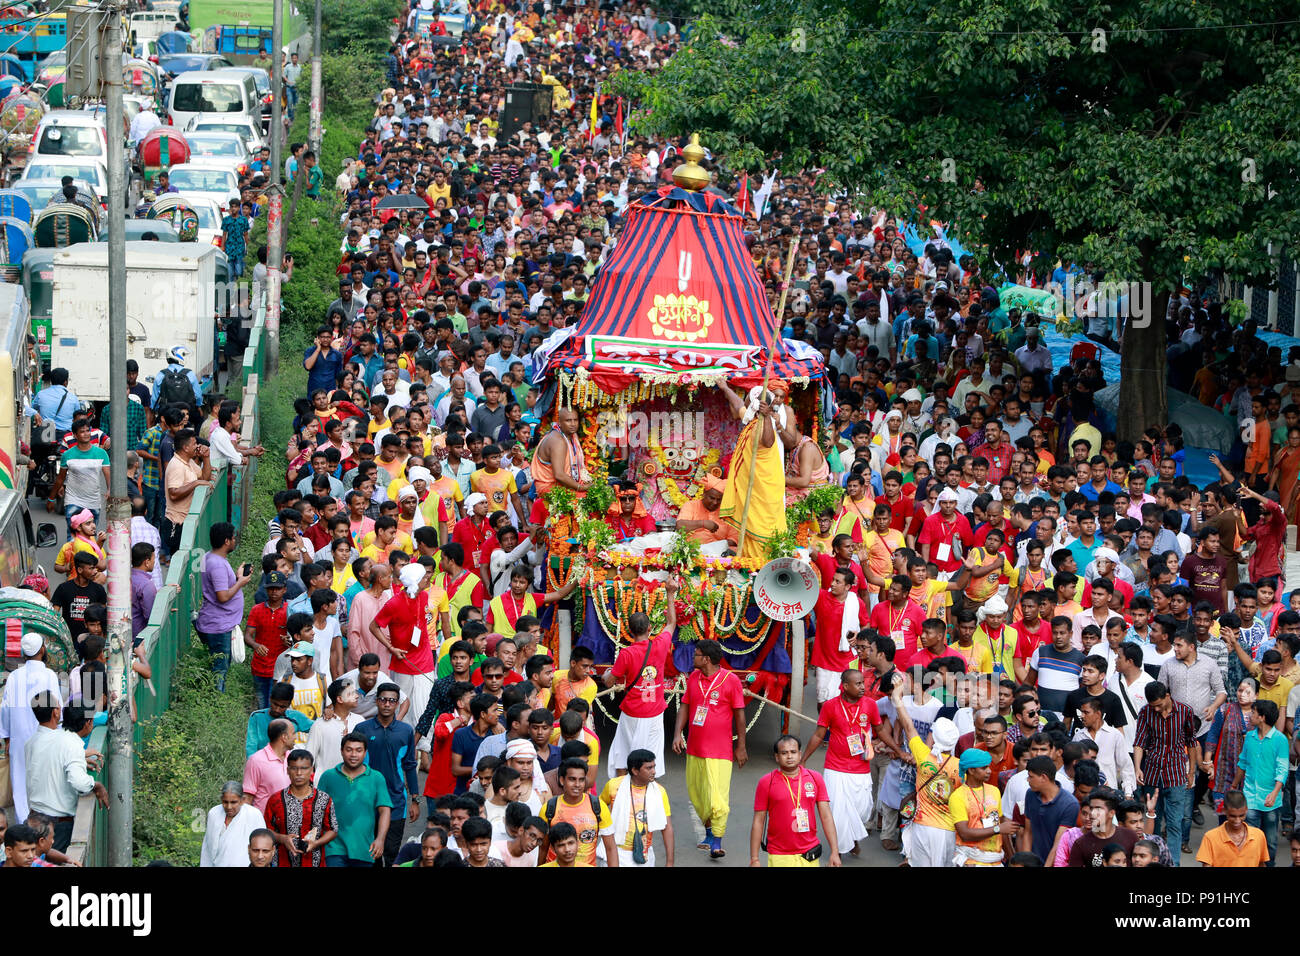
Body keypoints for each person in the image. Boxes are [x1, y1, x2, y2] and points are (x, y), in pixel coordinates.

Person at [672, 638, 747, 859]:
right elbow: (685, 706)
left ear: (705, 659)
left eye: (695, 654)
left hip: (720, 751)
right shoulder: (694, 677)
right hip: (695, 749)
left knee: (717, 800)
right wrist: (678, 733)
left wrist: (741, 746)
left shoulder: (730, 680)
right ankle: (708, 833)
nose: (692, 657)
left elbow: (740, 716)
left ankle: (717, 841)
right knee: (699, 797)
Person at [801, 668, 881, 858]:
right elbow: (819, 735)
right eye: (858, 683)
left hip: (861, 769)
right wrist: (803, 760)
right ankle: (837, 851)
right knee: (837, 812)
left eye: (863, 683)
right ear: (845, 686)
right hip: (835, 767)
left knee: (863, 810)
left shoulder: (870, 705)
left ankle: (852, 839)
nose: (863, 687)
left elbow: (881, 730)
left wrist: (898, 750)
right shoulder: (830, 706)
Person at [603, 579, 678, 780]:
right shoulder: (660, 644)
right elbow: (671, 623)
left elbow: (610, 681)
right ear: (650, 628)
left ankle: (621, 790)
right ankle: (648, 789)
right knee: (651, 755)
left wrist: (606, 674)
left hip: (633, 712)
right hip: (654, 711)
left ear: (630, 630)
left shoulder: (626, 653)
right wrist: (670, 593)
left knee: (622, 753)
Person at [23, 692, 107, 852]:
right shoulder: (71, 743)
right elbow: (79, 783)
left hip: (34, 818)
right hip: (57, 825)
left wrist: (80, 757)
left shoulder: (32, 741)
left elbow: (51, 757)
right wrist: (96, 784)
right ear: (89, 723)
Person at [891, 681, 962, 866]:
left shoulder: (923, 756)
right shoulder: (961, 767)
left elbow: (908, 726)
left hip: (923, 827)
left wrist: (897, 698)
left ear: (934, 736)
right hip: (948, 830)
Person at [717, 380, 787, 561]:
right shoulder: (751, 421)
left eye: (748, 400)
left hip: (763, 492)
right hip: (752, 490)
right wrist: (724, 388)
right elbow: (738, 405)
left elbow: (769, 441)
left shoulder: (764, 424)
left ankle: (762, 571)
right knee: (748, 534)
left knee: (761, 534)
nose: (745, 403)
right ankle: (749, 567)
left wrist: (767, 416)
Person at [749, 734, 841, 867]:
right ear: (777, 757)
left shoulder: (815, 778)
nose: (789, 756)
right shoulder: (766, 782)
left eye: (793, 752)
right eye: (784, 753)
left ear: (800, 754)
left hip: (809, 853)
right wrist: (754, 859)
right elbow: (758, 821)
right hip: (779, 855)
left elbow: (826, 816)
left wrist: (835, 852)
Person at [1132, 681, 1199, 862]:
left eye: (1159, 705)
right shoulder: (1146, 712)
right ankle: (1154, 861)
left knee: (1174, 824)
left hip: (1176, 774)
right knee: (1153, 821)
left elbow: (1191, 742)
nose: (1156, 709)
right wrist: (1138, 768)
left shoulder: (1185, 711)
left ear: (1168, 696)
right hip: (1152, 774)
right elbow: (1139, 742)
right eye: (1153, 706)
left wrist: (1191, 771)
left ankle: (1173, 863)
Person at [0, 634, 64, 824]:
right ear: (42, 650)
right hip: (44, 734)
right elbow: (57, 706)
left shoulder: (14, 677)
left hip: (19, 737)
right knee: (43, 777)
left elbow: (5, 708)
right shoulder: (50, 676)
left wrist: (7, 737)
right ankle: (43, 825)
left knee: (20, 781)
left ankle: (24, 824)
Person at [355, 683, 420, 865]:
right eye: (383, 699)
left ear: (397, 704)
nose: (387, 704)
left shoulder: (406, 731)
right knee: (369, 853)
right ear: (376, 701)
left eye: (392, 701)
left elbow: (410, 765)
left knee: (392, 853)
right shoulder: (362, 730)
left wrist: (415, 799)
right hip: (367, 801)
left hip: (396, 801)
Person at [318, 731, 393, 867]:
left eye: (358, 750)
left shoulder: (376, 778)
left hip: (364, 849)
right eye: (349, 750)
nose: (353, 755)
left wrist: (380, 839)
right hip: (333, 847)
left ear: (365, 753)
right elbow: (317, 810)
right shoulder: (328, 777)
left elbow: (385, 811)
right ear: (341, 751)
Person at [1229, 697, 1288, 865]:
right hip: (1250, 797)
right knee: (1251, 840)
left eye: (1253, 713)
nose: (1250, 716)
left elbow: (1282, 769)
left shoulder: (1280, 740)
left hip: (1271, 799)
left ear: (1262, 717)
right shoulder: (1250, 737)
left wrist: (1275, 792)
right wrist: (1234, 786)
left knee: (1270, 841)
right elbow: (1243, 762)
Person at [196, 522, 249, 692]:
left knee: (216, 667)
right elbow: (222, 596)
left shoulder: (208, 557)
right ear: (227, 541)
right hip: (218, 625)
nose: (235, 541)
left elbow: (215, 586)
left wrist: (236, 577)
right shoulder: (217, 564)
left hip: (215, 621)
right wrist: (240, 582)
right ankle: (216, 700)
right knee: (220, 670)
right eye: (233, 538)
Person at [599, 749, 674, 867]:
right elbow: (598, 809)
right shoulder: (613, 786)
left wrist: (669, 862)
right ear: (635, 770)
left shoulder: (660, 792)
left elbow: (667, 827)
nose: (654, 771)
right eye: (649, 768)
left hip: (645, 853)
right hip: (616, 852)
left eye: (654, 767)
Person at [263, 749, 338, 867]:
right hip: (282, 862)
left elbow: (332, 829)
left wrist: (316, 843)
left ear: (312, 770)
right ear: (288, 771)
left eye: (304, 768)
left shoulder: (324, 799)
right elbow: (266, 830)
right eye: (294, 768)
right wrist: (283, 839)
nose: (299, 773)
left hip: (314, 862)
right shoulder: (275, 800)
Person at [540, 758, 616, 867]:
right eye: (572, 779)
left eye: (581, 780)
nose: (577, 784)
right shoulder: (549, 808)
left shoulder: (598, 807)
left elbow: (610, 848)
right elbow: (543, 847)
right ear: (562, 780)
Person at [949, 747, 1017, 866]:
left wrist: (1013, 859)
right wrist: (998, 829)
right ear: (971, 770)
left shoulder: (994, 791)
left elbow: (1001, 826)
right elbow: (964, 834)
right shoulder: (957, 796)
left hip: (995, 860)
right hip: (971, 860)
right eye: (984, 768)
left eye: (988, 766)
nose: (989, 771)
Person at [1020, 754, 1081, 864]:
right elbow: (1028, 832)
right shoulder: (1030, 794)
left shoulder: (1069, 804)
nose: (1028, 780)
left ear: (1043, 777)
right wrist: (1026, 863)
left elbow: (1058, 845)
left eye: (1031, 776)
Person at [200, 782, 267, 867]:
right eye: (225, 802)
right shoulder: (214, 813)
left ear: (242, 800)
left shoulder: (254, 815)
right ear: (221, 799)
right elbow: (207, 847)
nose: (229, 807)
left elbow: (263, 846)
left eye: (233, 802)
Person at [1195, 790, 1269, 867]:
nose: (1237, 821)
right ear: (1224, 811)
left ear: (1246, 810)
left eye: (1241, 815)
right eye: (1233, 816)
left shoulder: (1259, 835)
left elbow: (1261, 863)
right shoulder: (1210, 837)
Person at [242, 718, 295, 815]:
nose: (295, 737)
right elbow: (247, 798)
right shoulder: (256, 761)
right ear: (284, 737)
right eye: (293, 733)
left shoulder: (292, 759)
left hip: (288, 824)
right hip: (264, 825)